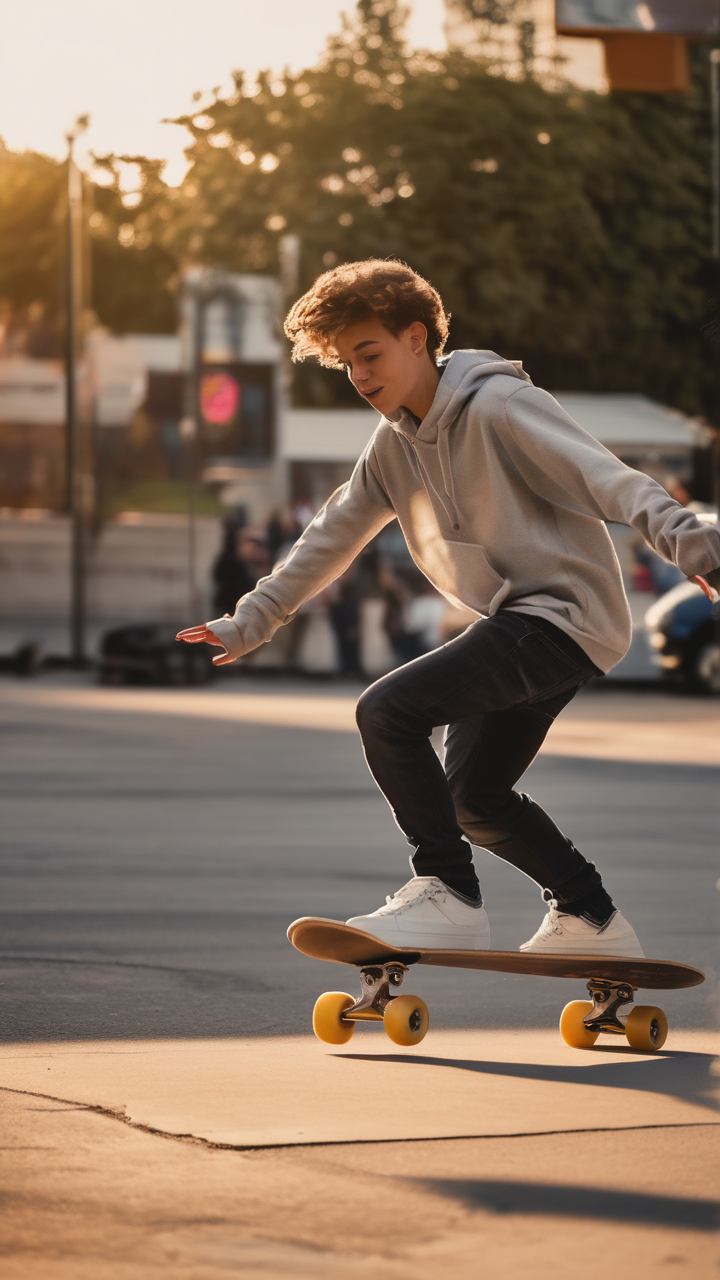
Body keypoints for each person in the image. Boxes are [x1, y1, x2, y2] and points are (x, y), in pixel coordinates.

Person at [179, 259, 720, 956]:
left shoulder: (499, 406)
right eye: (346, 364)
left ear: (415, 338)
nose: (361, 377)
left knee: (387, 711)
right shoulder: (393, 445)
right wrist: (254, 617)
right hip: (519, 626)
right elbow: (333, 532)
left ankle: (445, 890)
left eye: (369, 354)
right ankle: (591, 918)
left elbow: (602, 476)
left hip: (560, 617)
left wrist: (687, 538)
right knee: (474, 799)